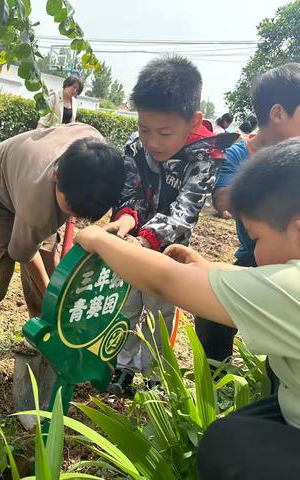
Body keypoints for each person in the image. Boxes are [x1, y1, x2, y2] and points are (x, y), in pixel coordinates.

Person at [75, 137, 300, 480]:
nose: (252, 254)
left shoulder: (290, 291)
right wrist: (208, 265)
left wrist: (100, 240)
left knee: (226, 444)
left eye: (255, 239)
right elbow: (256, 279)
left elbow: (166, 283)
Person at [0, 123, 125, 408]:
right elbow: (23, 255)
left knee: (51, 266)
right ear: (56, 176)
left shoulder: (95, 155)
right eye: (71, 209)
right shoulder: (37, 203)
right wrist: (57, 301)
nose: (74, 216)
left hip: (38, 185)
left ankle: (43, 337)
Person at [103, 54, 236, 395]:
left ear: (194, 121)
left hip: (169, 253)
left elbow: (185, 211)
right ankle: (122, 367)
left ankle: (154, 375)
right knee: (126, 305)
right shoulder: (135, 148)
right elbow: (129, 190)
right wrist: (126, 219)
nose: (153, 141)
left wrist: (145, 240)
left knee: (159, 313)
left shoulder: (206, 159)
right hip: (131, 244)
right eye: (144, 129)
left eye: (164, 132)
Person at [198, 63, 300, 365]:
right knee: (211, 314)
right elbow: (222, 200)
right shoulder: (238, 155)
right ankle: (215, 376)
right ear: (278, 113)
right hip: (259, 254)